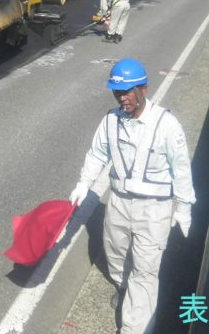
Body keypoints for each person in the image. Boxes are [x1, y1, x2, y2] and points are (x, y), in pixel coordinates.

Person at [68, 58, 195, 334]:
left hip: (155, 209)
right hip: (119, 202)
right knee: (115, 252)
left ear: (144, 89)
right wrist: (83, 183)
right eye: (117, 92)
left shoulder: (167, 125)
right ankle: (123, 286)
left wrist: (184, 207)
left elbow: (181, 169)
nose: (121, 97)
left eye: (127, 91)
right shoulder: (111, 121)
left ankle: (134, 327)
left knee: (146, 270)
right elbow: (97, 154)